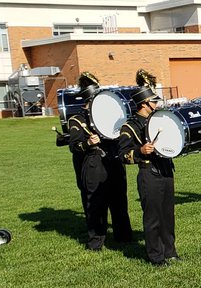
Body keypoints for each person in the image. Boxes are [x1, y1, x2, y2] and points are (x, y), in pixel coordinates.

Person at [68, 73, 132, 250]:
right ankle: (96, 241)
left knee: (119, 199)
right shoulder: (77, 120)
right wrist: (88, 143)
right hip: (94, 163)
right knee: (96, 202)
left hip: (114, 159)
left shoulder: (108, 115)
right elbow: (74, 146)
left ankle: (124, 236)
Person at [117, 84, 177, 265]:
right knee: (153, 217)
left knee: (168, 214)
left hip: (166, 170)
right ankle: (156, 256)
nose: (156, 104)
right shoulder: (129, 127)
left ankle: (170, 251)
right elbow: (122, 155)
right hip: (149, 173)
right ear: (144, 104)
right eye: (153, 101)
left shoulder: (158, 119)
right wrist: (140, 151)